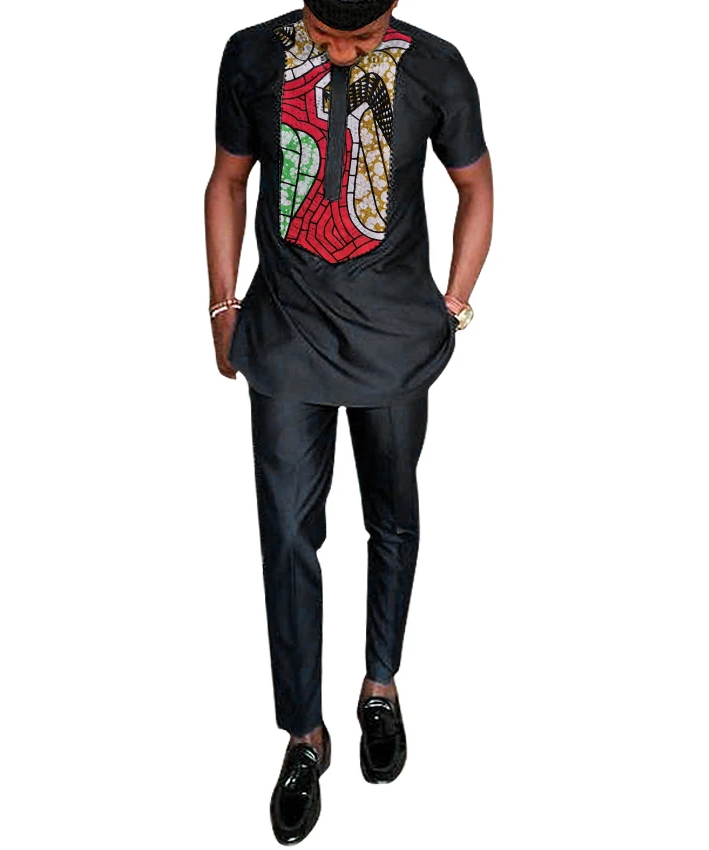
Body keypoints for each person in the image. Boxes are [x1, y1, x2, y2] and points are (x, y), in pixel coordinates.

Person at [205, 0, 493, 842]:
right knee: (287, 534)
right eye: (325, 34)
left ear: (392, 9)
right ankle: (304, 734)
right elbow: (228, 179)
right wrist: (221, 304)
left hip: (394, 341)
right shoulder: (252, 54)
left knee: (391, 516)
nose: (336, 53)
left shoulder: (436, 66)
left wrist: (454, 303)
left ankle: (380, 686)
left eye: (358, 39)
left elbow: (476, 186)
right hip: (285, 337)